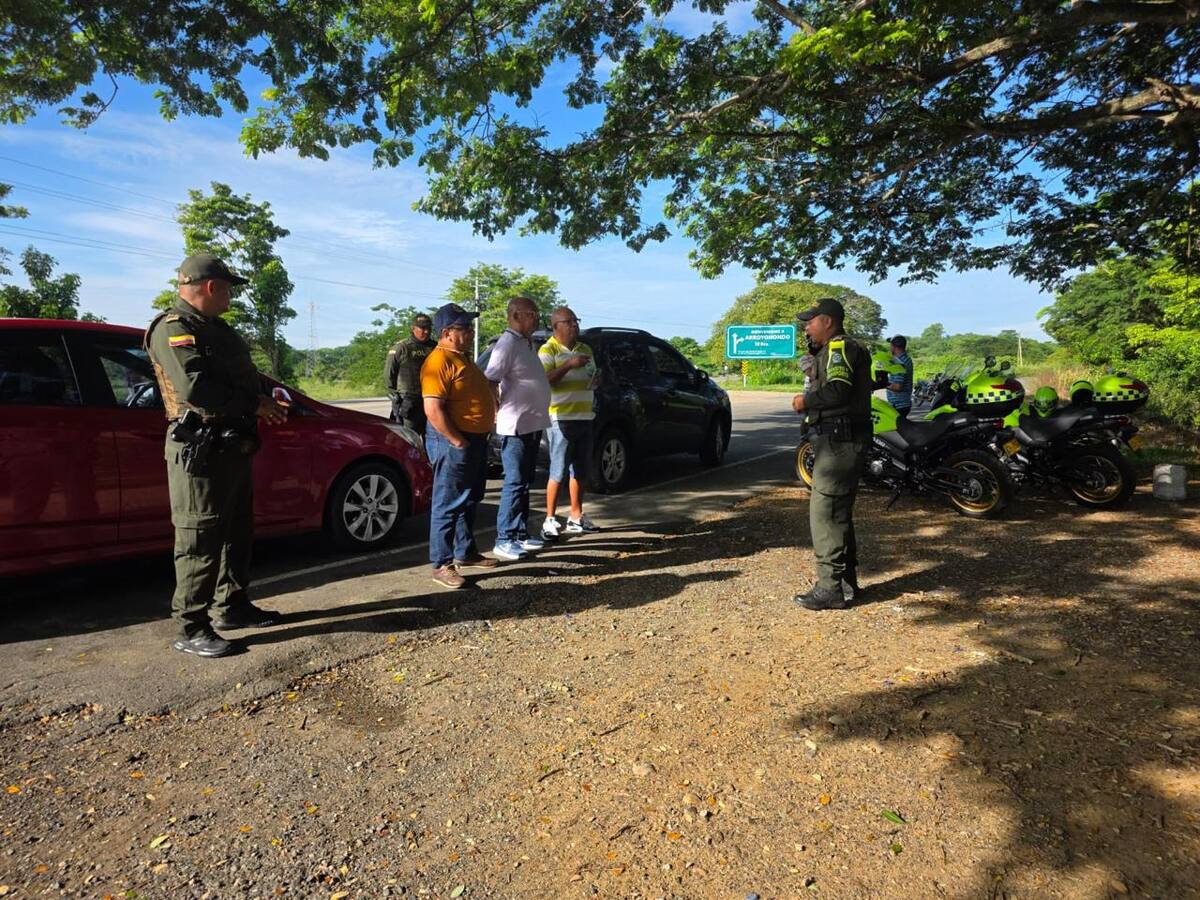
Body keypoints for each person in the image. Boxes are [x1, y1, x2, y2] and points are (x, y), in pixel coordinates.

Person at [145, 254, 288, 658]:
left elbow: (240, 377)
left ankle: (233, 606)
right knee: (200, 535)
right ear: (211, 287)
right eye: (227, 288)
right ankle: (192, 626)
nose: (230, 296)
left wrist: (264, 400)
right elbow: (195, 388)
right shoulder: (174, 329)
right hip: (200, 449)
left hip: (231, 445)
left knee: (237, 532)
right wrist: (254, 404)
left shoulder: (216, 329)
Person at [790, 297, 873, 611]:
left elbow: (839, 390)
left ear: (828, 320)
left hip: (839, 442)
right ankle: (846, 584)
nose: (807, 326)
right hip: (840, 439)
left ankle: (829, 589)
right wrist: (814, 371)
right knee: (838, 513)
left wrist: (805, 401)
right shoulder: (831, 350)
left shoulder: (839, 348)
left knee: (825, 513)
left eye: (811, 320)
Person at [422, 302, 500, 589]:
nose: (470, 331)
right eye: (464, 327)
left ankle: (465, 551)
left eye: (469, 326)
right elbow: (433, 409)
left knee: (469, 498)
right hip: (455, 440)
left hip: (474, 439)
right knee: (447, 502)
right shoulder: (438, 362)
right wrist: (456, 440)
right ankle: (442, 564)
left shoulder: (462, 358)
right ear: (446, 332)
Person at [483, 296, 552, 560]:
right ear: (516, 316)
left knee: (524, 482)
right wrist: (496, 408)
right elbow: (491, 378)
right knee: (513, 482)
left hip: (532, 424)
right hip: (516, 426)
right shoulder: (507, 343)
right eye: (532, 313)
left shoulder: (526, 342)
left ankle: (521, 533)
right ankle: (504, 538)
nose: (536, 318)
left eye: (536, 313)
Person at [538, 306, 600, 539]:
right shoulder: (548, 349)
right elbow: (544, 381)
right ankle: (550, 519)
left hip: (585, 415)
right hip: (560, 418)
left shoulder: (586, 349)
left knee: (581, 470)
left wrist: (596, 380)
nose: (575, 325)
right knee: (558, 469)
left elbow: (590, 375)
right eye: (569, 321)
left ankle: (576, 516)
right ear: (556, 327)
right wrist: (568, 365)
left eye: (576, 321)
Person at [384, 313, 436, 434]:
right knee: (410, 437)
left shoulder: (435, 347)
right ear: (413, 328)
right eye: (422, 328)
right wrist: (396, 396)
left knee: (433, 438)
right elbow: (388, 376)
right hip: (410, 401)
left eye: (428, 328)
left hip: (432, 399)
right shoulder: (401, 348)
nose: (426, 331)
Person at [886, 334, 913, 414]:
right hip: (903, 404)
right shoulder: (906, 359)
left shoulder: (899, 363)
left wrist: (882, 384)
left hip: (898, 405)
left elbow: (898, 387)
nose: (890, 347)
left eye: (890, 345)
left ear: (894, 346)